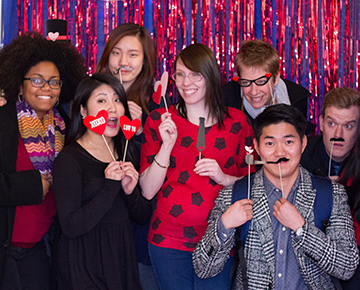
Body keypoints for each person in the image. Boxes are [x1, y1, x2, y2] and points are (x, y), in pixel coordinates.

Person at [193, 104, 359, 289]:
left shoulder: (331, 194)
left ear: (303, 143)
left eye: (289, 142)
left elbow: (347, 267)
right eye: (270, 143)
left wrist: (302, 229)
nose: (280, 152)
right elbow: (204, 268)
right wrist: (224, 225)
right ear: (257, 146)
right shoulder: (234, 195)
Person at [139, 43, 255, 290]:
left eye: (195, 74)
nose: (185, 82)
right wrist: (166, 146)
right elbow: (148, 190)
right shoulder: (160, 120)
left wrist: (224, 177)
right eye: (180, 74)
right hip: (167, 239)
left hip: (218, 238)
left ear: (210, 75)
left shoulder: (237, 122)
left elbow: (253, 184)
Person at [0, 32, 86, 289]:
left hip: (41, 247)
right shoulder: (3, 121)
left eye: (54, 82)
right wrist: (34, 186)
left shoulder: (64, 127)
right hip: (5, 249)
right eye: (36, 80)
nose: (46, 88)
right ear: (19, 84)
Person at [53, 73, 151, 289]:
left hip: (120, 260)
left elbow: (143, 217)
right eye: (101, 100)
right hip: (84, 264)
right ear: (83, 111)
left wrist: (130, 191)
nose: (112, 108)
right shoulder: (69, 159)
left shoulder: (126, 151)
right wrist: (110, 186)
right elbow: (70, 226)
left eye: (117, 100)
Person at [96, 23, 169, 289]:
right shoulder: (86, 97)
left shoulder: (158, 106)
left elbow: (156, 174)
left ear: (145, 60)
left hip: (136, 227)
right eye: (116, 52)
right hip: (94, 222)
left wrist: (138, 132)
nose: (123, 62)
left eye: (133, 54)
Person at [300, 87, 360, 289]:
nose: (338, 134)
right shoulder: (300, 153)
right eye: (332, 123)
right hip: (307, 253)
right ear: (321, 122)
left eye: (348, 126)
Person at [223, 39, 315, 134]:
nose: (254, 92)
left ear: (275, 79)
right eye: (246, 82)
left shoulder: (296, 99)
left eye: (261, 81)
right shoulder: (225, 100)